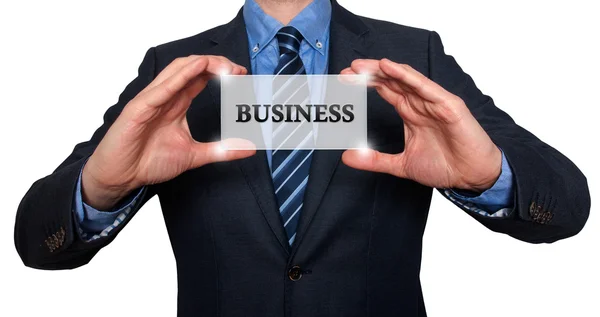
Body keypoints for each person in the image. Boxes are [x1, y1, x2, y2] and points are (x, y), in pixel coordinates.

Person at [14, 0, 590, 316]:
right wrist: (97, 193)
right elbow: (37, 241)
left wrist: (489, 176)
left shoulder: (413, 56)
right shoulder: (174, 67)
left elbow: (565, 204)